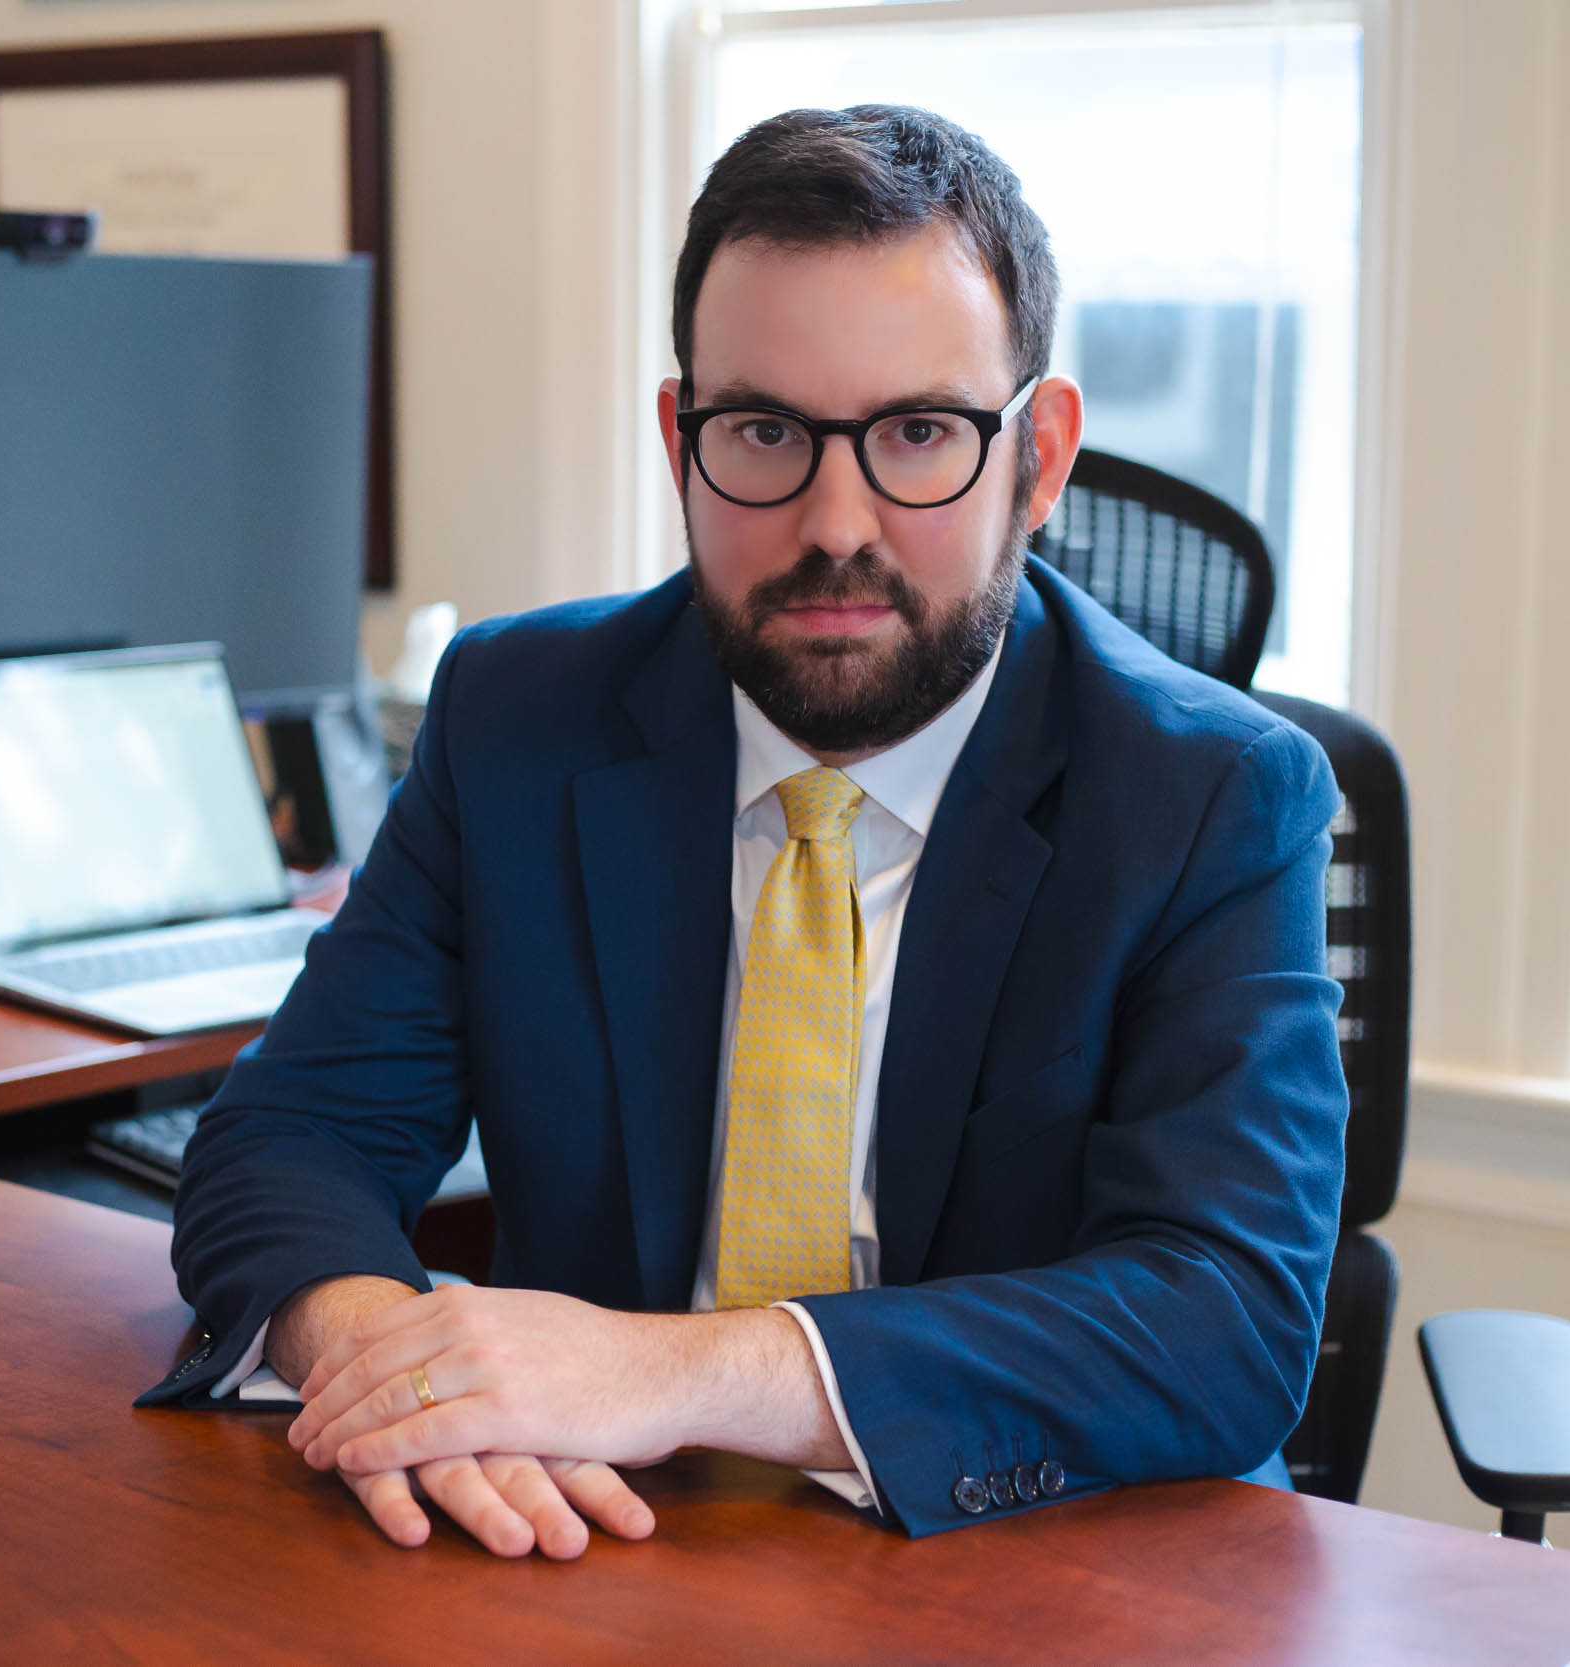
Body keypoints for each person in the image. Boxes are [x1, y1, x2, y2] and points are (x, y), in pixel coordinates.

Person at [139, 104, 1347, 1558]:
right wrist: (384, 1364)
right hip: (583, 1550)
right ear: (680, 440)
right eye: (765, 431)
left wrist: (666, 1373)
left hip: (1030, 1573)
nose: (838, 521)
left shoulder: (1211, 794)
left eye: (919, 433)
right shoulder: (522, 716)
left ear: (1040, 454)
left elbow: (1223, 1318)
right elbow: (294, 1133)